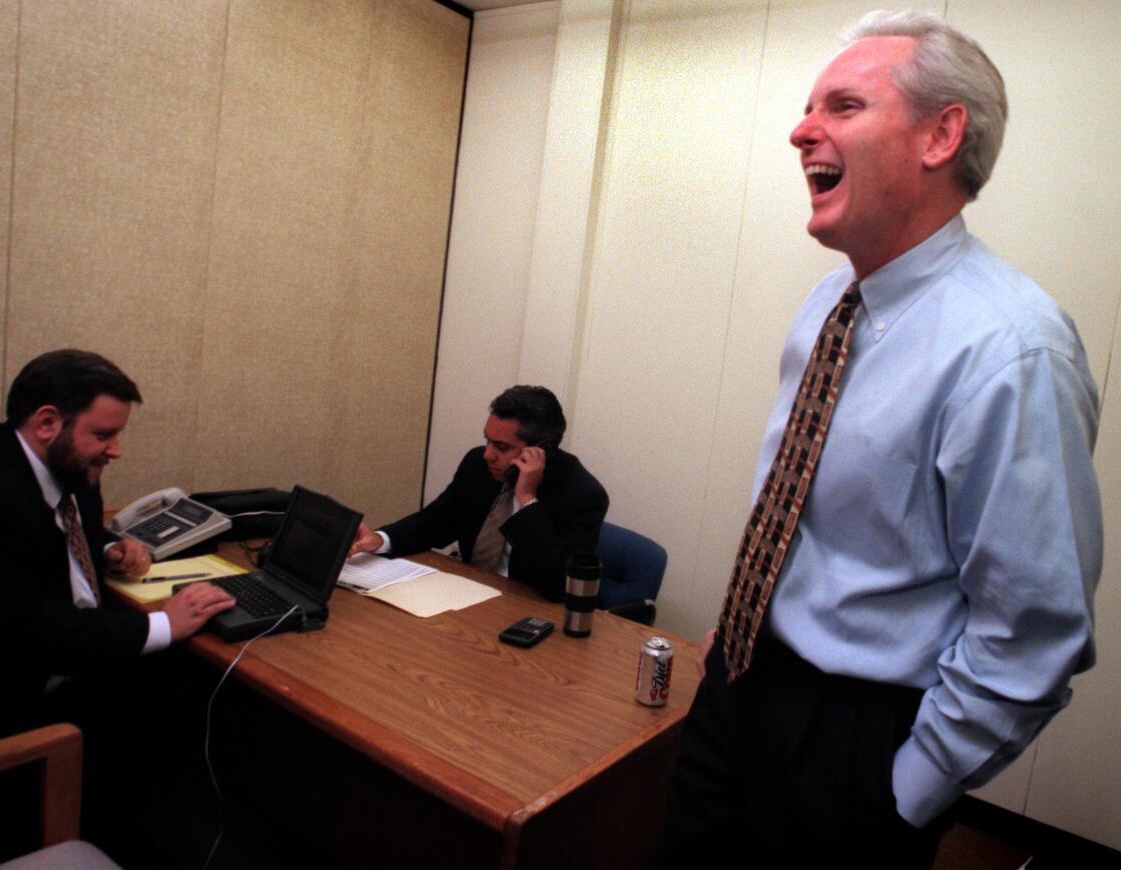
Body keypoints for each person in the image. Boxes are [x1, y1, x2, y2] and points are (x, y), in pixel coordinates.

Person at [655, 10, 1101, 867]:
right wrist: (741, 640)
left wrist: (907, 793)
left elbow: (1035, 627)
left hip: (854, 747)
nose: (800, 131)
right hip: (737, 692)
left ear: (941, 135)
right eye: (808, 108)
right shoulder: (827, 305)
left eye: (843, 105)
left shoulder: (1012, 348)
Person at [0, 349, 234, 759]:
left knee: (209, 675)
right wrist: (163, 624)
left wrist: (106, 547)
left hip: (64, 648)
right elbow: (25, 629)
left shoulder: (62, 464)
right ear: (48, 422)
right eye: (103, 435)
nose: (115, 450)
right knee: (196, 688)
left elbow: (60, 528)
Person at [348, 385, 608, 600]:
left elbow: (559, 584)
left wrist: (527, 499)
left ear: (542, 451)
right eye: (487, 440)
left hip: (530, 610)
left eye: (501, 447)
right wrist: (380, 540)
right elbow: (435, 522)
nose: (487, 454)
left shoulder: (583, 495)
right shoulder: (478, 465)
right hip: (472, 595)